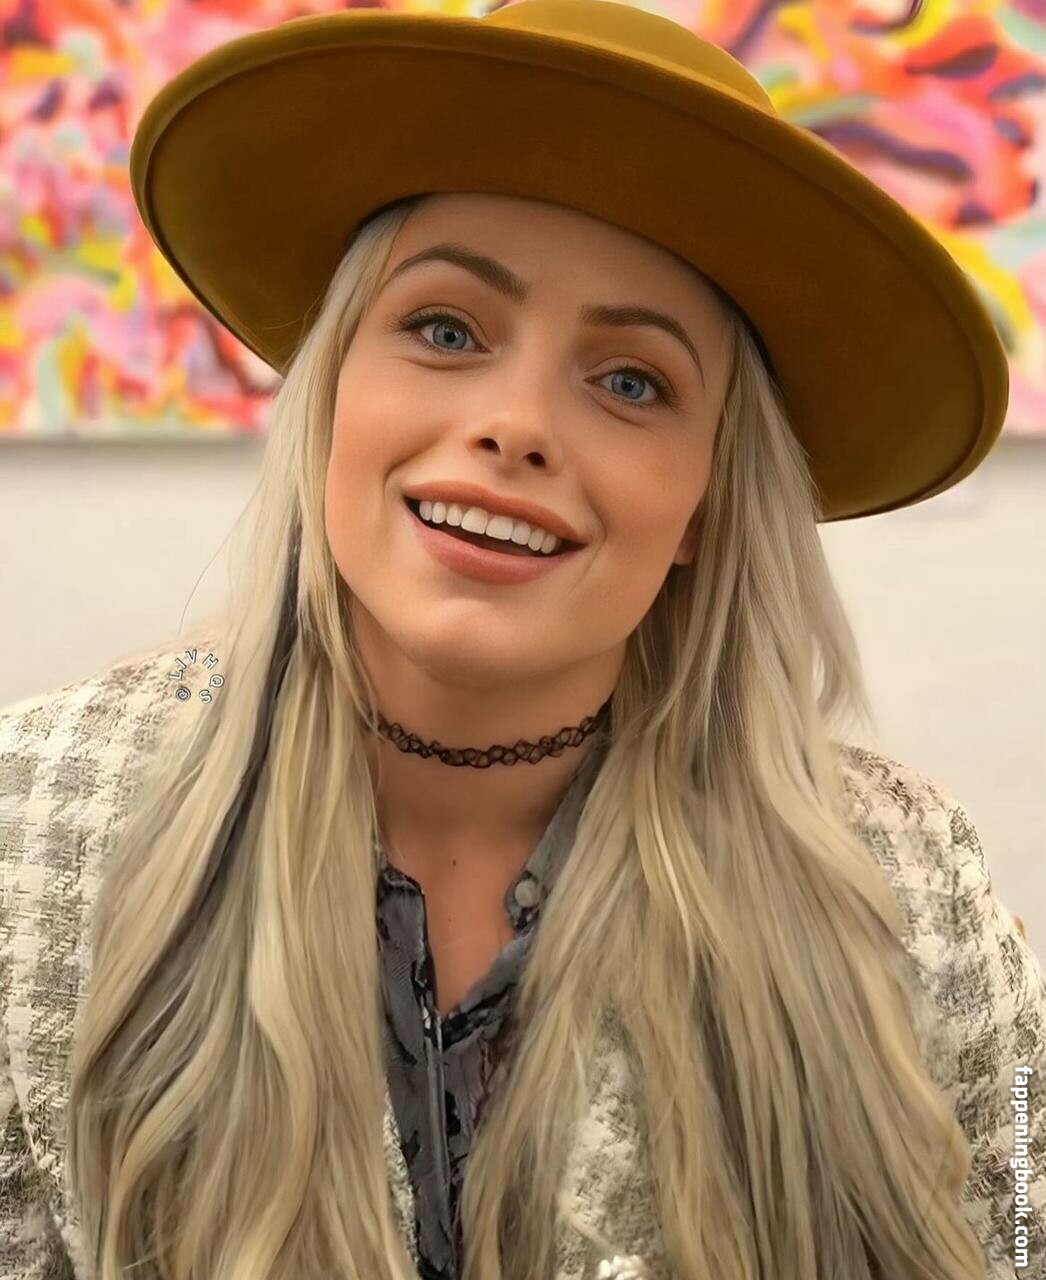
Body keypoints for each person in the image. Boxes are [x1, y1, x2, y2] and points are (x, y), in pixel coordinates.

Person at [0, 3, 1042, 1280]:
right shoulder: (31, 824)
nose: (516, 424)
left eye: (630, 381)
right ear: (331, 394)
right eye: (444, 329)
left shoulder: (907, 896)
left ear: (705, 509)